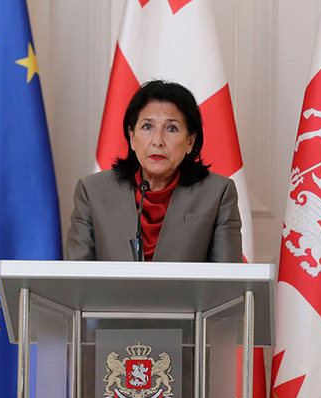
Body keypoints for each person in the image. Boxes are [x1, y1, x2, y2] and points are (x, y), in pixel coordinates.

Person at [65, 80, 243, 262]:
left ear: (190, 141)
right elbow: (76, 274)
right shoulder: (93, 191)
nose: (158, 141)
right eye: (147, 127)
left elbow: (227, 276)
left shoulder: (218, 193)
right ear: (132, 137)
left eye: (171, 128)